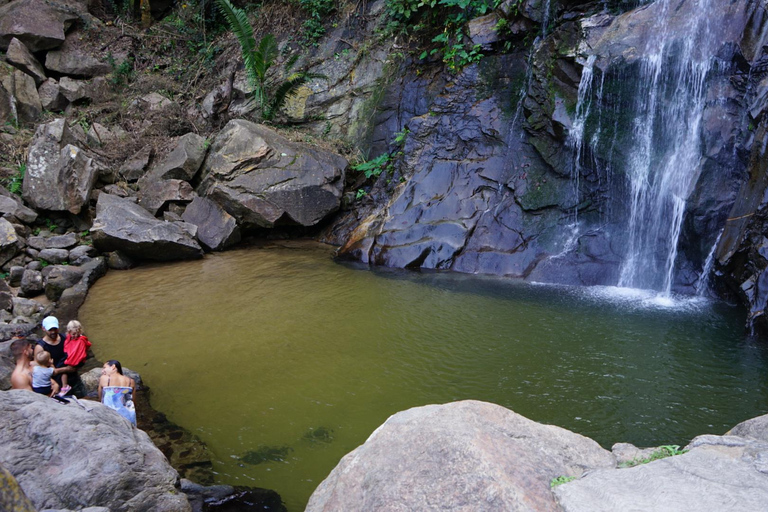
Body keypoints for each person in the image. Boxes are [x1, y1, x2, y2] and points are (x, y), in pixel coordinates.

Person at [35, 316, 84, 397]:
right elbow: (39, 372)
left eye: (55, 329)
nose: (53, 332)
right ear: (43, 329)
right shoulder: (40, 347)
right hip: (57, 384)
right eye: (50, 330)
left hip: (74, 379)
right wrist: (64, 370)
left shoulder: (65, 338)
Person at [98, 360, 137, 425]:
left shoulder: (104, 379)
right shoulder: (131, 381)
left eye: (104, 367)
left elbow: (100, 398)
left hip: (111, 416)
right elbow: (133, 401)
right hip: (128, 417)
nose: (102, 371)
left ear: (113, 367)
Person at [61, 320, 91, 395]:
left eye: (77, 334)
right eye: (73, 334)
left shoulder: (81, 340)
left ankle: (64, 387)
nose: (75, 336)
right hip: (70, 359)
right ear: (69, 331)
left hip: (76, 362)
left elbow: (79, 352)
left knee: (63, 371)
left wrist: (69, 362)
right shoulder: (68, 338)